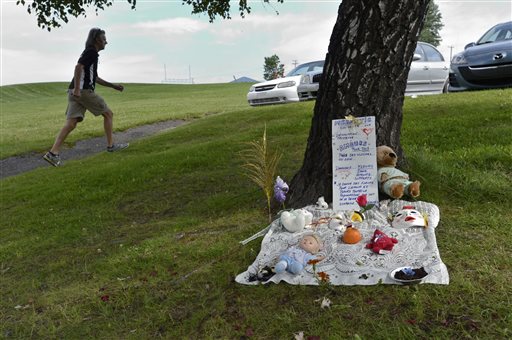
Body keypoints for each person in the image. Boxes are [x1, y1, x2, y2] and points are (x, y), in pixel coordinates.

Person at [43, 28, 128, 167]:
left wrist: (113, 86)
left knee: (71, 124)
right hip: (83, 92)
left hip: (74, 92)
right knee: (108, 114)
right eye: (104, 39)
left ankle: (53, 153)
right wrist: (78, 89)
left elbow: (94, 77)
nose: (106, 41)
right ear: (96, 40)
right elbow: (78, 67)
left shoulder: (91, 54)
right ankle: (111, 146)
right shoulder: (91, 52)